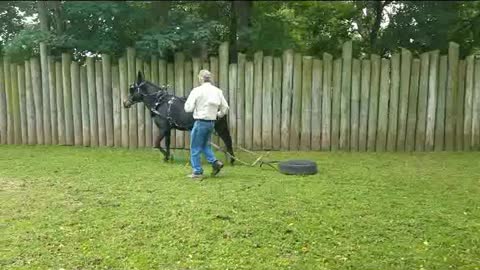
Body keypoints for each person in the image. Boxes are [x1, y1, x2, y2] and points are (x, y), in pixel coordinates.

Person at [184, 69, 229, 179]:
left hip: (200, 122)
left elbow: (188, 108)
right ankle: (215, 162)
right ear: (210, 78)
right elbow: (225, 108)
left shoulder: (196, 91)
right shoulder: (217, 91)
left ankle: (197, 171)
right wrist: (217, 114)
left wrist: (193, 106)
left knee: (195, 147)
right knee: (205, 145)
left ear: (200, 78)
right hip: (211, 123)